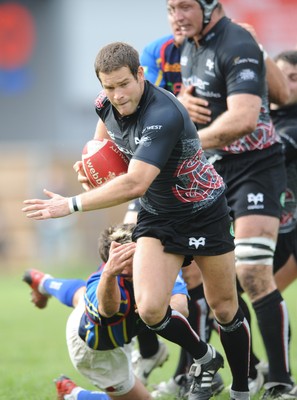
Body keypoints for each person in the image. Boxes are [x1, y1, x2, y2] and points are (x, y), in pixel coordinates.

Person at [23, 41, 251, 400]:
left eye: (123, 84)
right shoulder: (104, 105)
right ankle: (205, 358)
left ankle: (241, 391)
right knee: (149, 309)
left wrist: (72, 203)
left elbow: (135, 182)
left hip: (205, 213)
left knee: (224, 308)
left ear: (140, 75)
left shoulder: (163, 114)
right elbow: (100, 146)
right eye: (108, 86)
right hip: (158, 216)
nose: (116, 95)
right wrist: (89, 168)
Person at [167, 0, 295, 398]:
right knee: (208, 283)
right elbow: (274, 92)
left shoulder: (236, 41)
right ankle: (249, 369)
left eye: (185, 6)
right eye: (170, 8)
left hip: (256, 167)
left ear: (210, 6)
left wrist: (179, 140)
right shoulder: (189, 45)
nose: (177, 16)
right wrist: (181, 104)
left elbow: (242, 119)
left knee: (253, 272)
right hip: (214, 169)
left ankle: (281, 381)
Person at [22, 223, 189, 400]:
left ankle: (43, 282)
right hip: (96, 349)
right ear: (114, 261)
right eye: (127, 260)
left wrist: (155, 307)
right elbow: (108, 310)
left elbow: (181, 308)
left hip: (110, 324)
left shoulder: (153, 261)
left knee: (81, 294)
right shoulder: (109, 281)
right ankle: (73, 394)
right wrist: (109, 275)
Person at [270, 50, 297, 292]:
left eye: (295, 78)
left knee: (264, 295)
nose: (287, 85)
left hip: (290, 231)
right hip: (271, 226)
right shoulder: (255, 113)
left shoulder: (293, 125)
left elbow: (274, 154)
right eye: (281, 75)